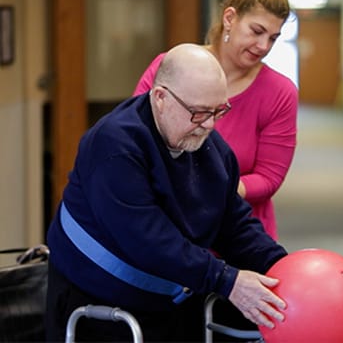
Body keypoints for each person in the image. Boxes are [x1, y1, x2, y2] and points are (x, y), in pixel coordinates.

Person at [45, 43, 288, 342]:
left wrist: (283, 267)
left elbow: (233, 223)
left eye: (218, 111)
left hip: (170, 297)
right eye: (199, 112)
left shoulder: (209, 147)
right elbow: (146, 239)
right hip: (98, 305)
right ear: (160, 97)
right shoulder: (114, 145)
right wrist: (227, 280)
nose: (209, 125)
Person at [133, 0, 298, 243]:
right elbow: (136, 136)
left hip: (237, 237)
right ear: (230, 18)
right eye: (257, 31)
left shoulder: (280, 92)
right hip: (167, 231)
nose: (263, 46)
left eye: (273, 37)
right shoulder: (169, 66)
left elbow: (269, 178)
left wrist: (205, 188)